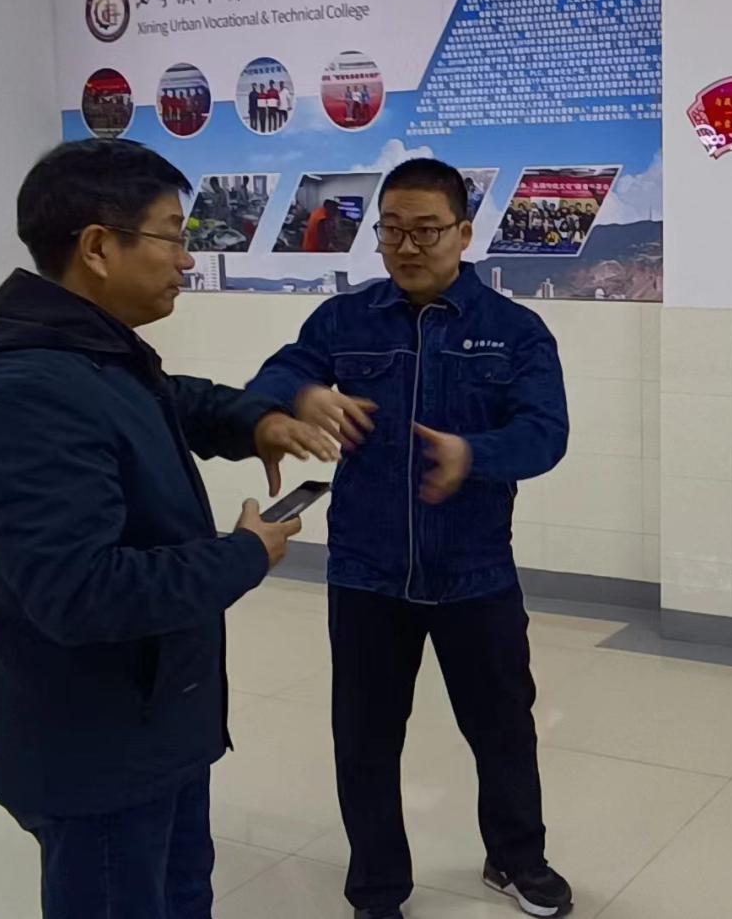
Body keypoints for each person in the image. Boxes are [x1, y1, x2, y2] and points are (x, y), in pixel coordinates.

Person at [0, 139, 342, 918]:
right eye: (171, 236)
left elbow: (169, 399)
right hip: (98, 750)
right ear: (98, 247)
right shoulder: (30, 391)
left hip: (155, 722)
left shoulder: (90, 352)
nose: (187, 259)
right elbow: (81, 592)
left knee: (179, 892)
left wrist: (255, 420)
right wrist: (242, 554)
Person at [248, 157, 574, 919]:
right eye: (391, 229)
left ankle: (516, 857)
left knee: (502, 726)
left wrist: (475, 453)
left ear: (463, 232)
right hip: (366, 570)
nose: (406, 246)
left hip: (475, 570)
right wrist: (301, 394)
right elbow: (274, 376)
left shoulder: (515, 332)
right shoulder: (345, 321)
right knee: (364, 737)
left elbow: (546, 433)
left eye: (426, 230)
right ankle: (376, 888)